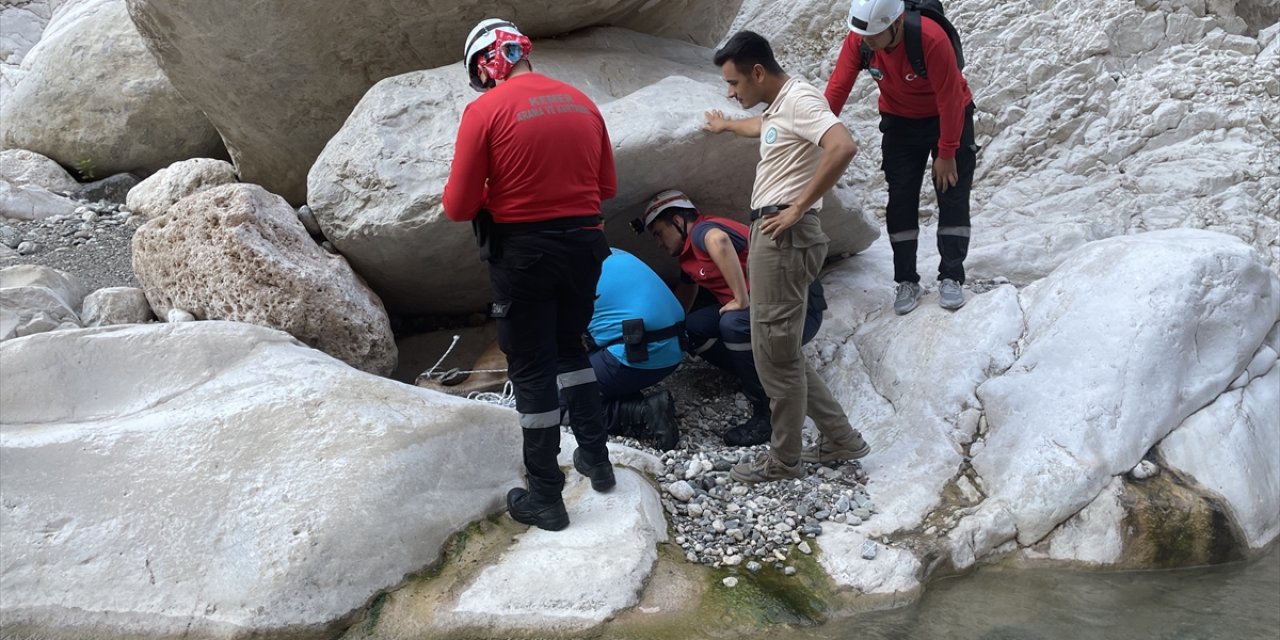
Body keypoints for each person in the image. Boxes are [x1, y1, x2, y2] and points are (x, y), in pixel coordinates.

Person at [442, 18, 617, 531]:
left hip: (524, 255)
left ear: (486, 63)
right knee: (572, 349)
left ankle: (546, 494)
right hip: (586, 247)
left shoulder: (485, 111)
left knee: (533, 368)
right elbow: (605, 184)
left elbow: (458, 206)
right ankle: (596, 459)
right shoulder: (582, 102)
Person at [703, 30, 871, 484]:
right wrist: (725, 125)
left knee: (774, 356)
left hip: (785, 231)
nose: (731, 92)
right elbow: (764, 128)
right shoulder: (779, 108)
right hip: (773, 232)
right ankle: (840, 438)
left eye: (735, 84)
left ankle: (784, 460)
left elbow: (843, 145)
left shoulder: (800, 99)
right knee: (780, 351)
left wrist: (797, 207)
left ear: (758, 72)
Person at [635, 189, 827, 447]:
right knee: (692, 328)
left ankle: (767, 414)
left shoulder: (703, 232)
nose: (658, 243)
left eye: (659, 233)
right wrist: (665, 329)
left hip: (799, 310)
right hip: (766, 312)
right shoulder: (688, 256)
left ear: (678, 221)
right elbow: (685, 295)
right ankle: (751, 373)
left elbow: (720, 241)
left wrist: (740, 299)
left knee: (733, 323)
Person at [826, 0, 978, 315]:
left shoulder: (930, 39)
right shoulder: (862, 37)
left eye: (874, 35)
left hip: (948, 117)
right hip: (900, 122)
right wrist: (818, 130)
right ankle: (906, 280)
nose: (866, 41)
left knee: (952, 193)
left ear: (895, 24)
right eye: (862, 35)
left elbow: (950, 97)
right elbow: (838, 87)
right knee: (900, 199)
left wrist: (947, 151)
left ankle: (951, 276)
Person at [577, 247, 683, 451]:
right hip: (674, 348)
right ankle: (624, 396)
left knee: (564, 395)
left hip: (640, 355)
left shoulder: (566, 269)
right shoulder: (612, 253)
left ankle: (642, 413)